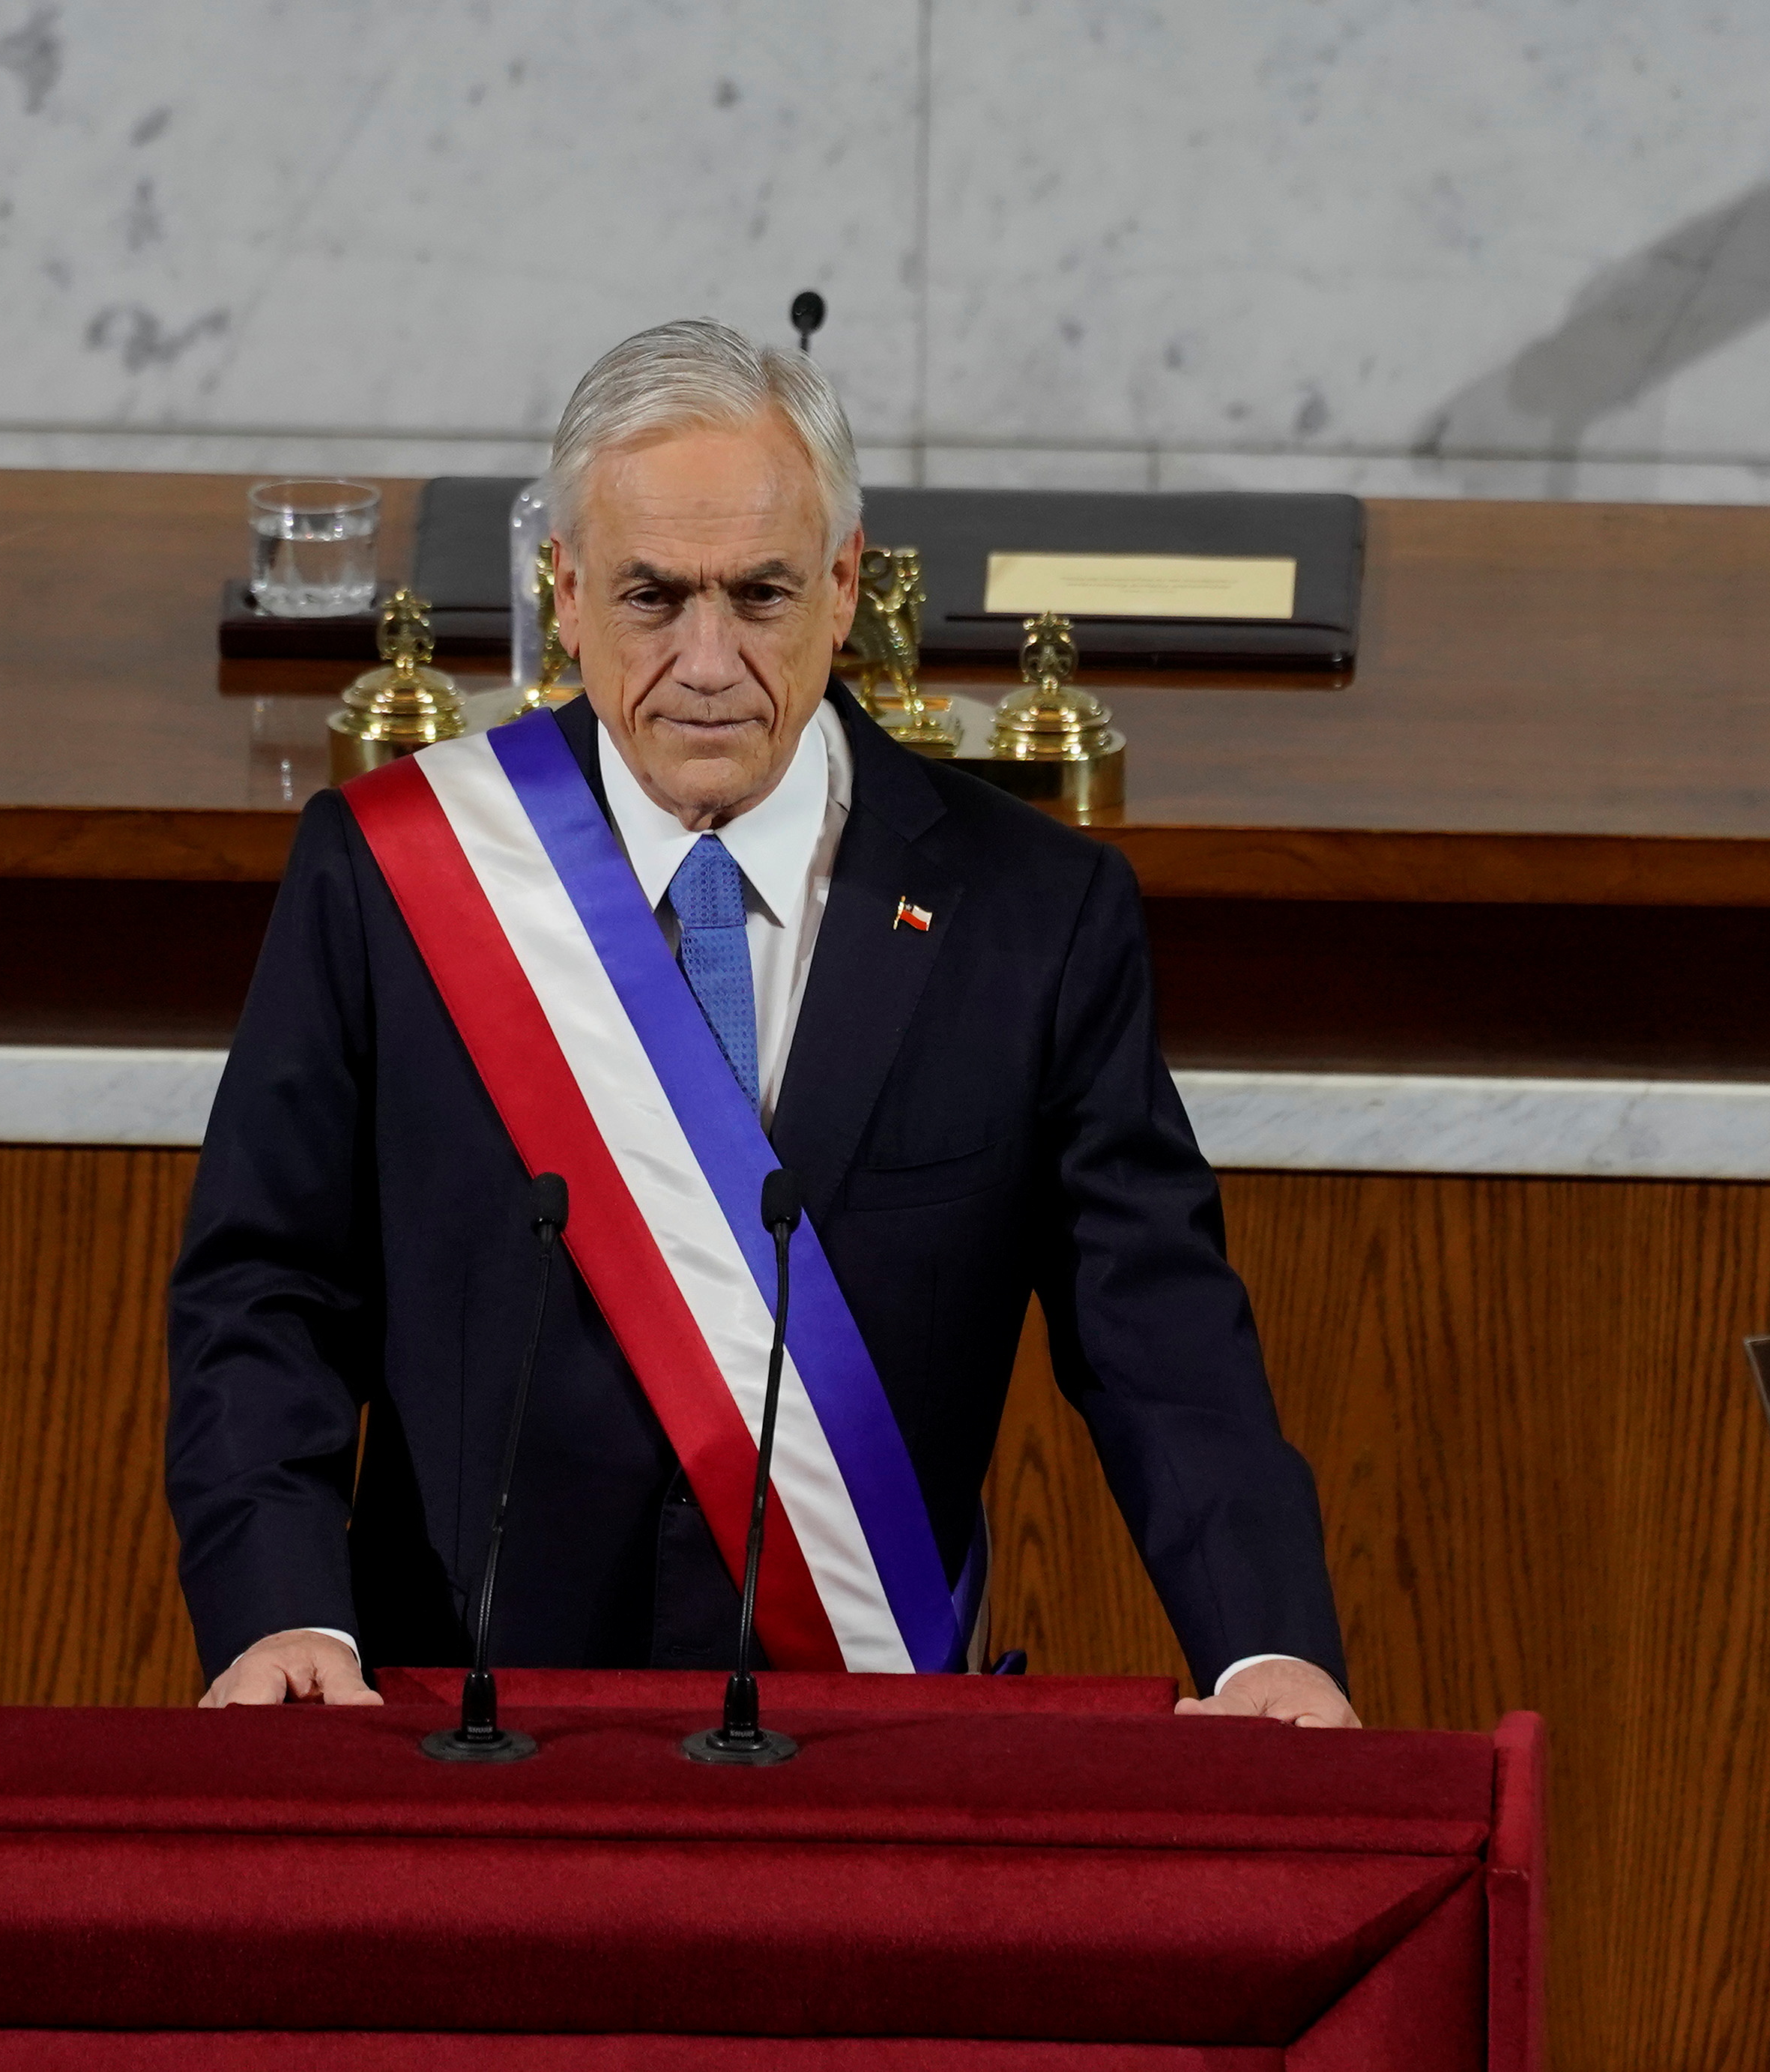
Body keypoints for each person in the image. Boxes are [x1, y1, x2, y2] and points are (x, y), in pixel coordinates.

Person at [167, 318, 1355, 1724]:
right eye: (654, 596)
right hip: (466, 1731)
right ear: (566, 591)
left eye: (763, 595)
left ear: (846, 586)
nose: (711, 660)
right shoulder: (393, 877)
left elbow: (1155, 1328)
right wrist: (284, 1609)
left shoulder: (1031, 913)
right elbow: (265, 1286)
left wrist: (1268, 1646)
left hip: (857, 1745)